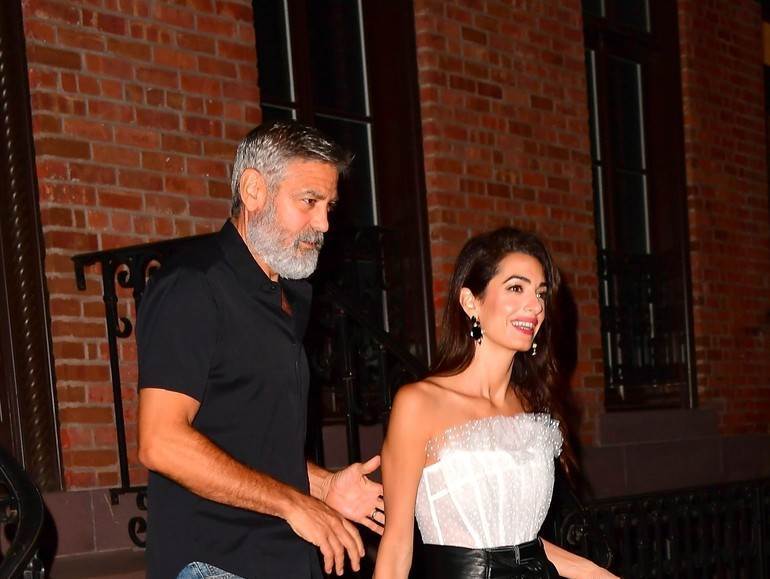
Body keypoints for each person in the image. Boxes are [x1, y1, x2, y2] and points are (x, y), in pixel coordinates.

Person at [137, 121, 385, 579]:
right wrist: (294, 503)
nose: (324, 224)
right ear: (253, 190)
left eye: (328, 206)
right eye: (308, 201)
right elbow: (161, 442)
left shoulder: (289, 297)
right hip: (212, 562)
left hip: (282, 558)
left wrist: (324, 486)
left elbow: (246, 443)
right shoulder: (193, 285)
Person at [373, 227, 619, 579]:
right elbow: (397, 546)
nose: (535, 306)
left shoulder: (532, 407)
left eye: (540, 293)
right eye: (516, 288)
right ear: (470, 302)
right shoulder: (420, 404)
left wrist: (597, 573)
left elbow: (521, 545)